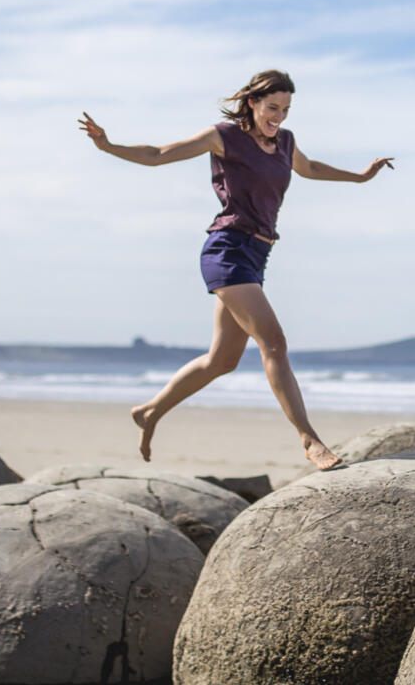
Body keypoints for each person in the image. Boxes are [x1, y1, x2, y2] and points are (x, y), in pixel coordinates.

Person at [78, 70, 393, 469]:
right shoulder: (224, 136)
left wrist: (361, 177)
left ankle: (150, 411)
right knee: (273, 343)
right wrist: (108, 145)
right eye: (272, 107)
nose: (278, 116)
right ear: (253, 103)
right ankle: (309, 440)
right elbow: (158, 154)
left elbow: (309, 168)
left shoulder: (286, 143)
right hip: (227, 249)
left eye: (286, 109)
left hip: (258, 255)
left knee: (222, 360)